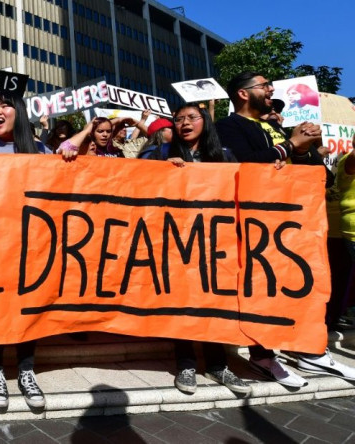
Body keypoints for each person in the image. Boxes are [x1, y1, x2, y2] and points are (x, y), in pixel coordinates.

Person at [217, 71, 355, 385]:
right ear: (243, 93)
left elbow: (322, 179)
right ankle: (264, 358)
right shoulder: (228, 127)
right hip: (257, 227)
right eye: (264, 85)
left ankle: (311, 352)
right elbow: (242, 165)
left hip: (297, 226)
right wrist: (291, 144)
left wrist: (304, 150)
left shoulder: (275, 127)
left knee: (306, 288)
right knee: (260, 290)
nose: (270, 90)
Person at [0, 91, 75, 410]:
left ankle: (26, 371)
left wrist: (66, 158)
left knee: (28, 309)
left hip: (30, 247)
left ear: (18, 112)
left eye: (3, 105)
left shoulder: (40, 150)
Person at [141, 104, 248, 395]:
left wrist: (274, 172)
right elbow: (135, 180)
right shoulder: (160, 153)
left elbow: (247, 188)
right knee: (183, 304)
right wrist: (162, 170)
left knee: (214, 303)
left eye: (191, 118)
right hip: (176, 243)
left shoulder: (224, 156)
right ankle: (186, 364)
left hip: (217, 244)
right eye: (178, 119)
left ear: (206, 122)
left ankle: (217, 364)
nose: (184, 123)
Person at [59, 117, 124, 157]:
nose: (105, 134)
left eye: (108, 131)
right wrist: (86, 131)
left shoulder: (117, 152)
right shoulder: (84, 152)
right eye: (100, 131)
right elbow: (66, 147)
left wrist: (120, 120)